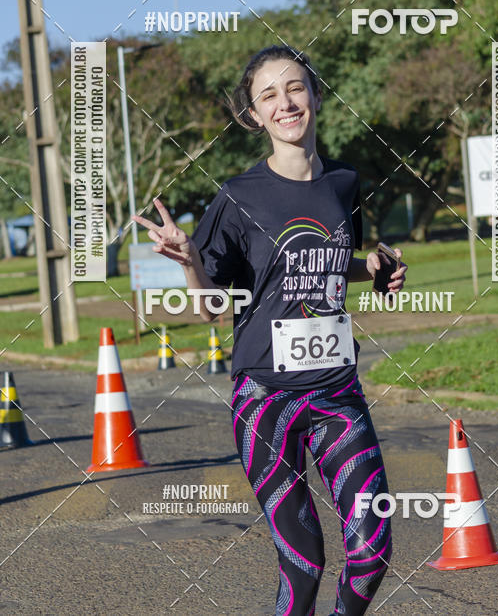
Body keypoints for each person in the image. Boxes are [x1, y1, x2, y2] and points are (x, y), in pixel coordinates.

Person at [133, 45, 407, 616]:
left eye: (295, 87)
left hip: (337, 390)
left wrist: (374, 268)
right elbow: (211, 307)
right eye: (269, 95)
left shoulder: (343, 183)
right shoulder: (238, 198)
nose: (286, 103)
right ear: (254, 115)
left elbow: (329, 258)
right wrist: (188, 260)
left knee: (372, 551)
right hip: (265, 399)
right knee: (303, 564)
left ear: (315, 95)